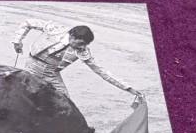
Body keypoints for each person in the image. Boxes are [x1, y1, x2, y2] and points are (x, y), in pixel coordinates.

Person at [11, 20, 143, 103]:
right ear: (72, 36)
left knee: (66, 103)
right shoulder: (54, 29)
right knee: (21, 97)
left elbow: (101, 72)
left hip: (51, 73)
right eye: (80, 43)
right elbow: (27, 23)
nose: (81, 47)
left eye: (84, 44)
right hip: (31, 65)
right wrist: (17, 42)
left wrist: (128, 88)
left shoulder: (83, 51)